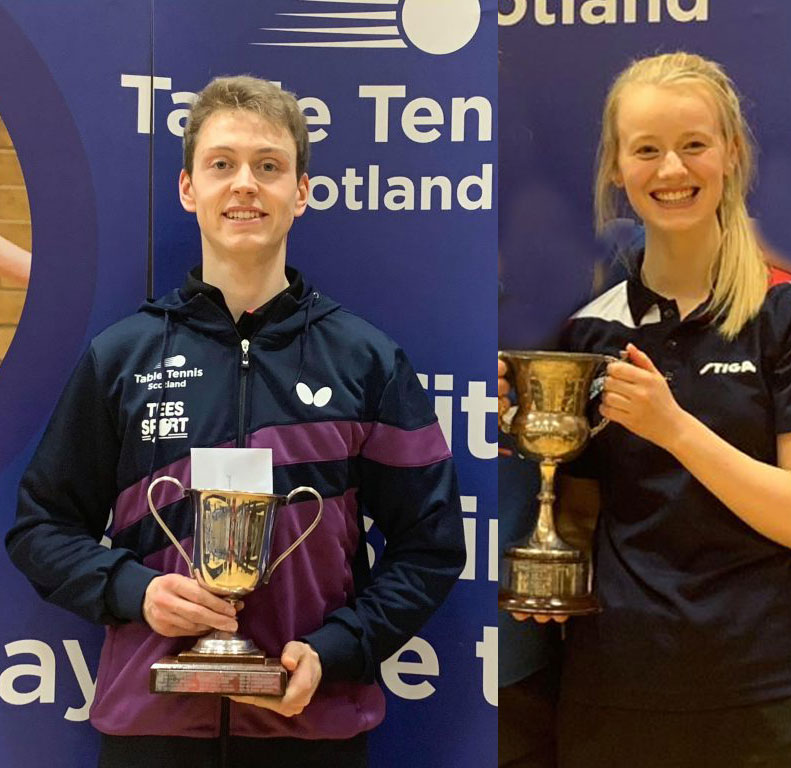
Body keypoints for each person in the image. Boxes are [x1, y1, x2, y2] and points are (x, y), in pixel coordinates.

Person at [6, 75, 465, 768]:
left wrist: (333, 651)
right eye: (222, 164)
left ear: (302, 192)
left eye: (269, 166)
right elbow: (41, 527)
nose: (245, 183)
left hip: (313, 725)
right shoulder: (122, 357)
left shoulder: (367, 361)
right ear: (189, 188)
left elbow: (429, 548)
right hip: (151, 730)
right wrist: (136, 591)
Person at [499, 52, 791, 767]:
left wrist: (674, 428)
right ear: (615, 168)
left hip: (768, 692)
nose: (671, 170)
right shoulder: (588, 334)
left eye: (693, 145)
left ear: (730, 153)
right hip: (617, 694)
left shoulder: (789, 312)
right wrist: (549, 567)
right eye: (646, 150)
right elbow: (580, 512)